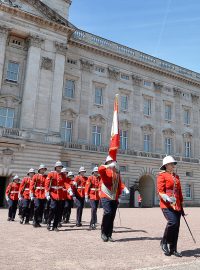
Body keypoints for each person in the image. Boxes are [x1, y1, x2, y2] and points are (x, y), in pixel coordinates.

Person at [157, 155, 184, 257]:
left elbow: (179, 192)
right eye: (172, 164)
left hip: (176, 205)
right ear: (166, 165)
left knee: (176, 226)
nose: (173, 166)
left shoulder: (176, 176)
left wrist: (181, 205)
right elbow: (160, 191)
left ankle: (173, 248)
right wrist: (167, 198)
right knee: (172, 222)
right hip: (166, 204)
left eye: (173, 164)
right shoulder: (162, 175)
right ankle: (164, 241)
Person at [98, 155, 129, 242]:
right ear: (107, 163)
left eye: (113, 162)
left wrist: (123, 189)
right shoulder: (105, 170)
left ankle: (109, 234)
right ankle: (103, 233)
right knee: (107, 212)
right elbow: (100, 169)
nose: (113, 163)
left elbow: (119, 183)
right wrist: (108, 166)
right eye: (110, 162)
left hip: (114, 195)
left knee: (112, 215)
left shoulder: (117, 171)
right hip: (106, 194)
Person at [45, 161, 69, 231]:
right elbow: (47, 184)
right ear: (56, 167)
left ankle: (55, 226)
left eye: (61, 167)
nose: (60, 168)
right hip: (53, 193)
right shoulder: (51, 174)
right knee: (53, 208)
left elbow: (66, 183)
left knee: (58, 211)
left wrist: (69, 189)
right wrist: (47, 193)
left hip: (60, 194)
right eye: (59, 167)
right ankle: (49, 223)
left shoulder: (63, 175)